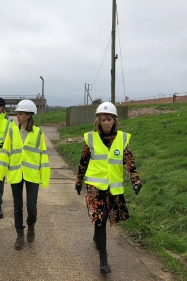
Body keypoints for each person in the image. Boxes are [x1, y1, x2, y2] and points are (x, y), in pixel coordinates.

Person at [74, 101, 142, 274]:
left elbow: (129, 162)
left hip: (112, 189)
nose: (106, 122)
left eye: (109, 119)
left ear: (114, 121)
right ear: (98, 120)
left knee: (103, 221)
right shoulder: (91, 138)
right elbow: (83, 162)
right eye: (103, 119)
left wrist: (135, 180)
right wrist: (78, 181)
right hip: (94, 187)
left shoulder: (121, 139)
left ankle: (98, 237)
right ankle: (103, 258)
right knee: (101, 219)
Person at [0, 99, 50, 250]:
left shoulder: (38, 133)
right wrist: (0, 174)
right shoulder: (12, 131)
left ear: (29, 115)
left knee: (32, 207)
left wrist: (44, 178)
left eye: (20, 113)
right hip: (15, 174)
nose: (17, 116)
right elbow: (5, 153)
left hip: (32, 175)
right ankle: (19, 233)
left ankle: (31, 225)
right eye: (17, 113)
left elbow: (43, 156)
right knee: (17, 206)